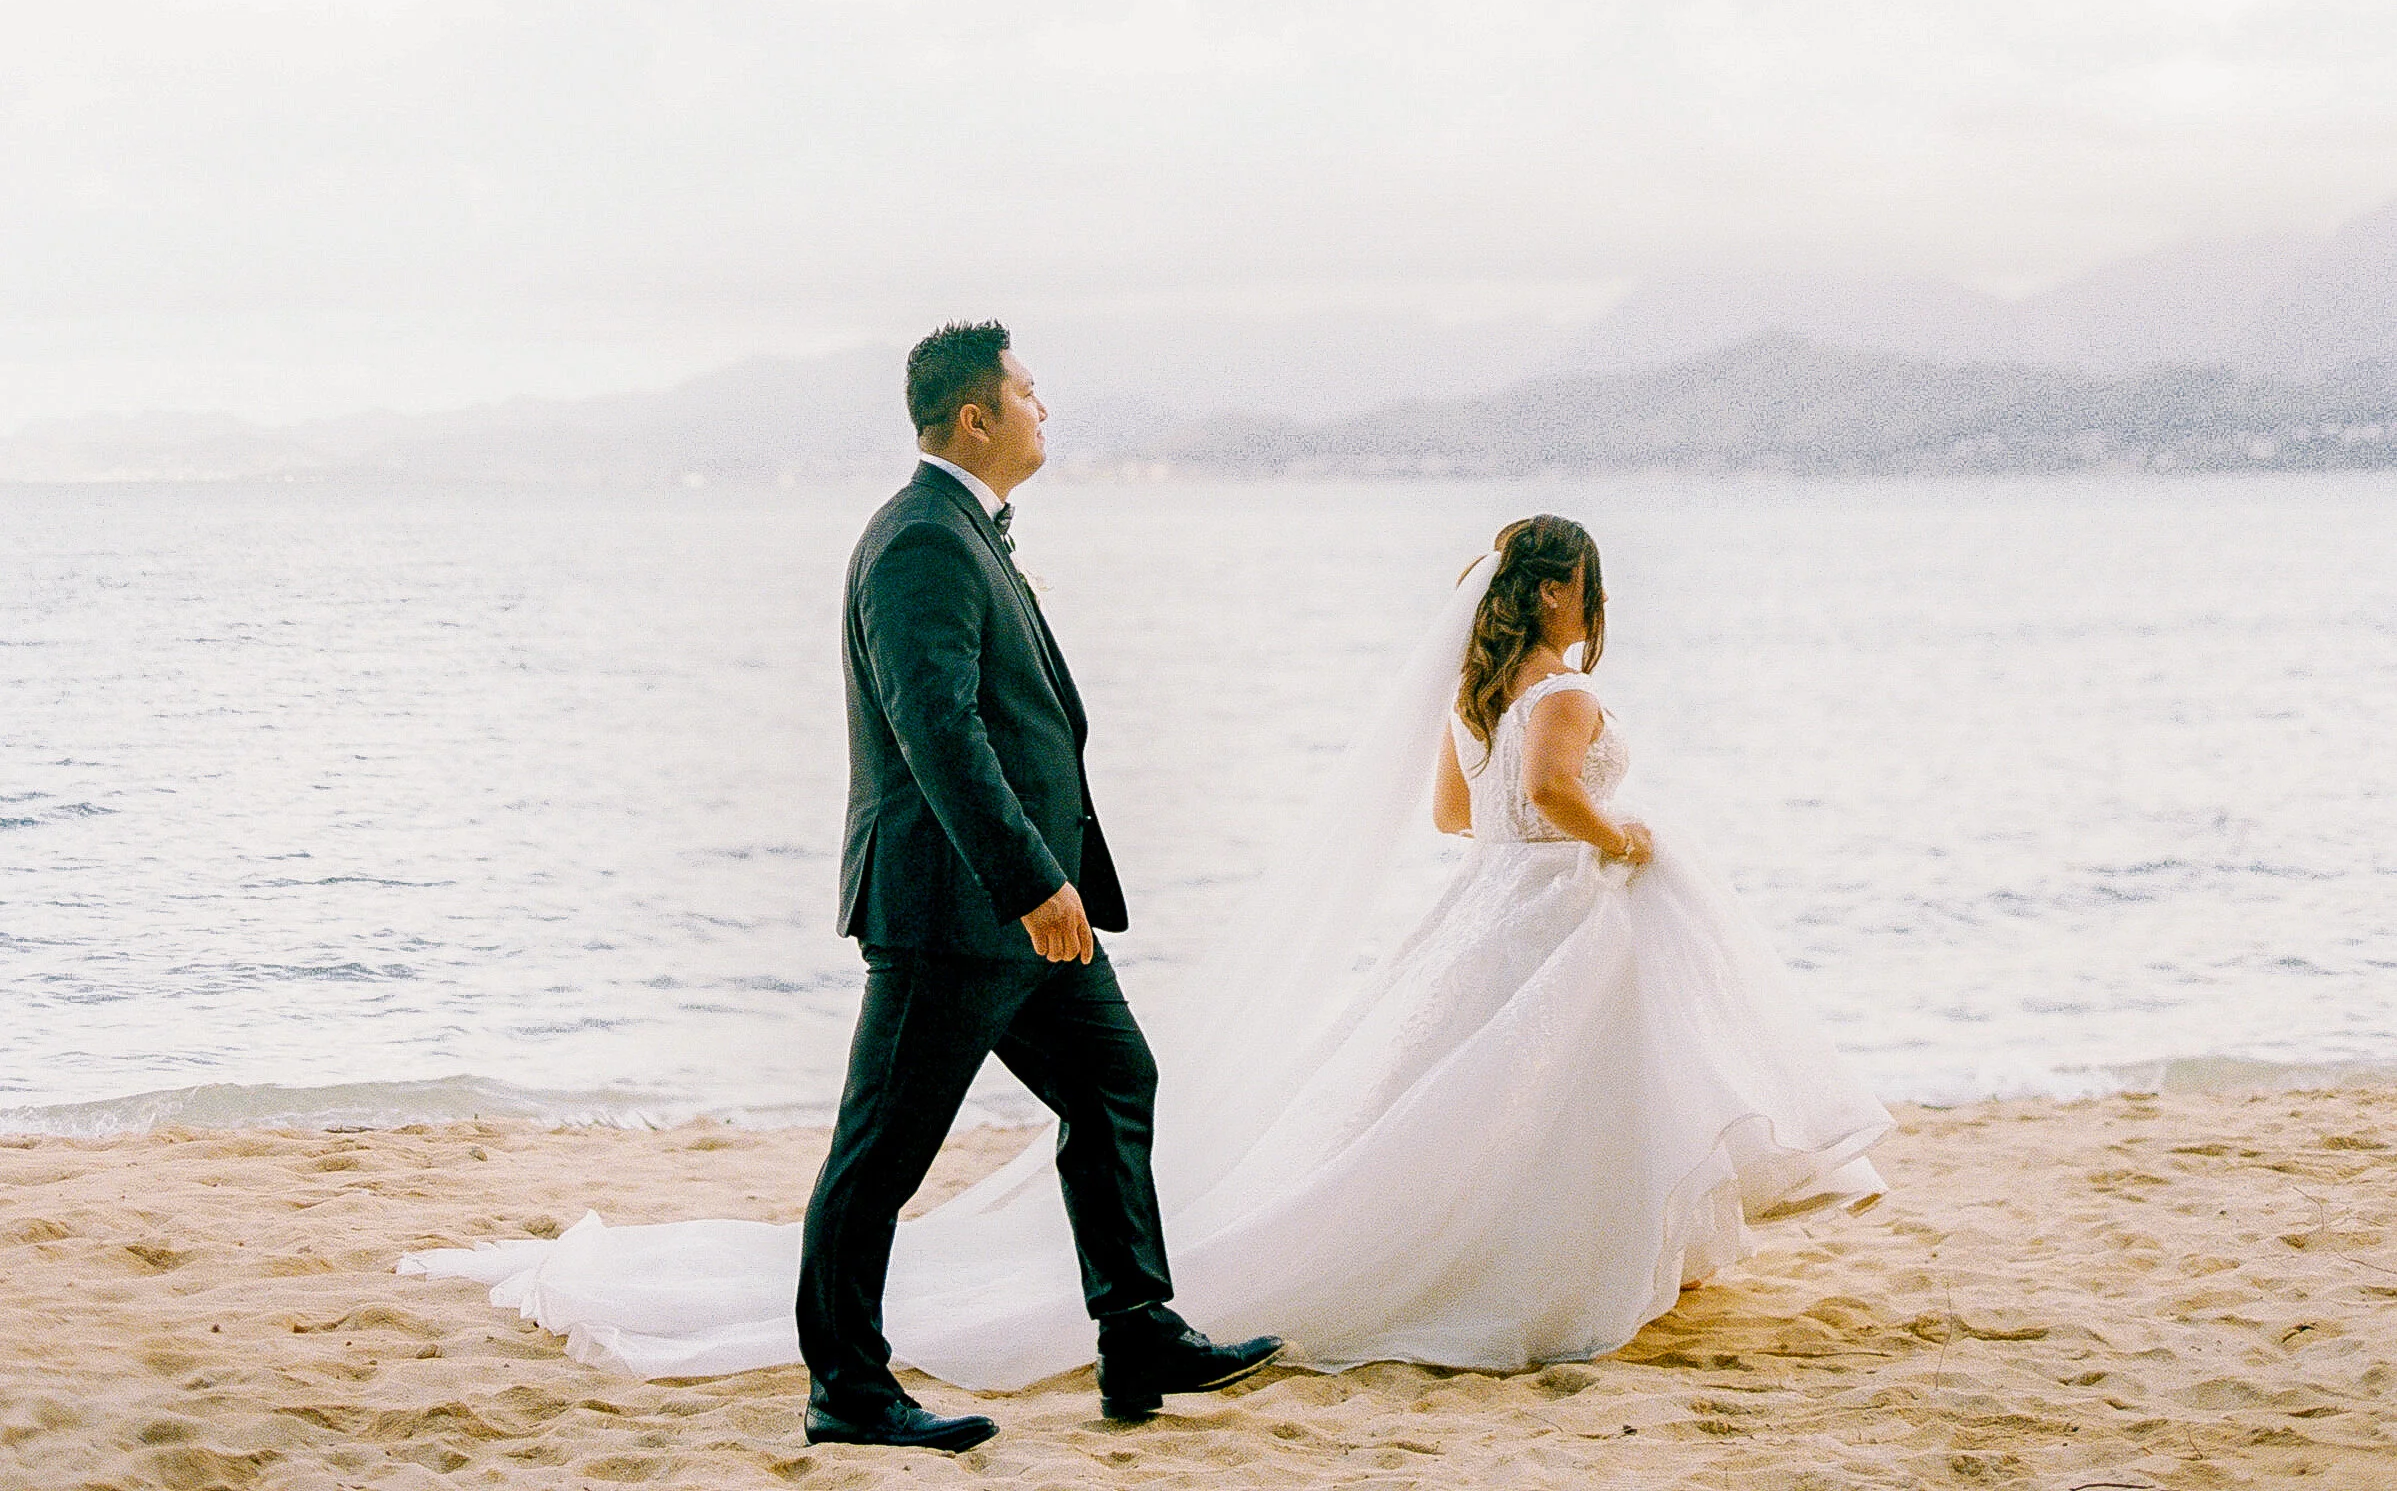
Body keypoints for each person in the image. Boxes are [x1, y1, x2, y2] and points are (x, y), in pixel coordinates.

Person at [402, 496, 1887, 1394]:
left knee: (1444, 1102)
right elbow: (1557, 796)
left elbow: (1458, 814)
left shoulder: (1480, 701)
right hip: (1547, 915)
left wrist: (1545, 832)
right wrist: (1630, 841)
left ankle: (1133, 1310)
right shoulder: (1559, 696)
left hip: (1492, 907)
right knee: (1515, 1108)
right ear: (1570, 593)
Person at [792, 321, 1278, 1448]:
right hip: (956, 912)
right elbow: (939, 732)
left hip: (1021, 913)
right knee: (880, 1152)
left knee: (1116, 1080)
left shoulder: (966, 532)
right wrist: (1026, 880)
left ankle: (1137, 1328)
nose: (1042, 406)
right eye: (1026, 390)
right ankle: (848, 1389)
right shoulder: (922, 538)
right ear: (977, 417)